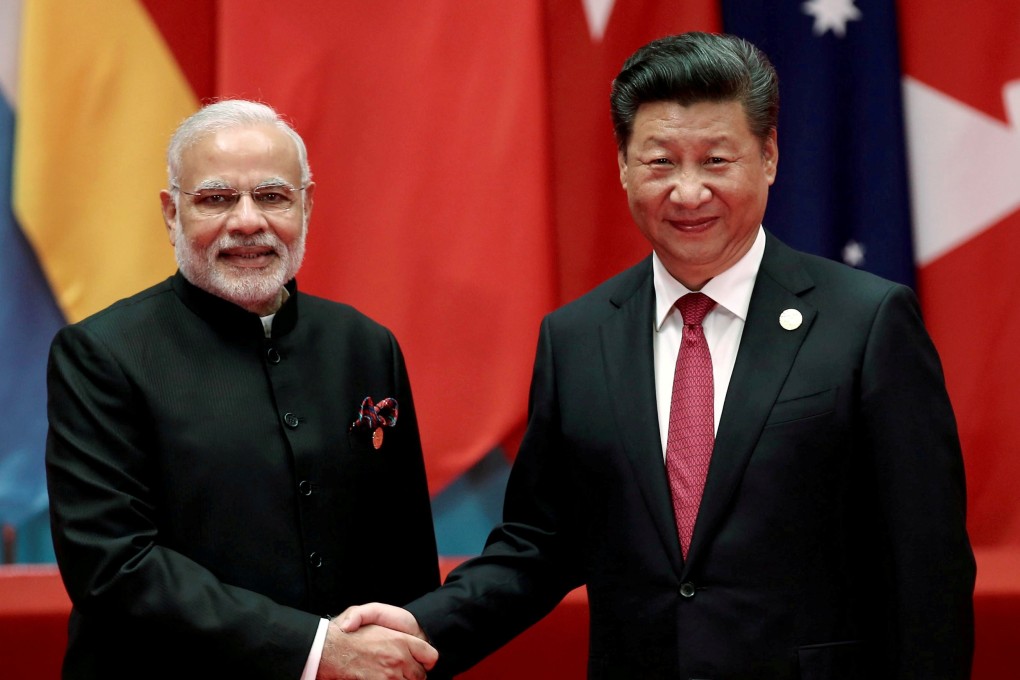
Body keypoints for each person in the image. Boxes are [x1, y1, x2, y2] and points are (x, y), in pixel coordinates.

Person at [339, 32, 976, 679]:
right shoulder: (578, 338)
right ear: (622, 166)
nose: (689, 192)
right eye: (661, 162)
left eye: (717, 161)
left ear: (770, 157)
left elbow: (927, 563)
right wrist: (423, 626)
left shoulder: (866, 323)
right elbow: (540, 544)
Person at [45, 99, 441, 679]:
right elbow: (115, 566)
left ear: (306, 204)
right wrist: (317, 651)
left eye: (273, 196)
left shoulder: (364, 345)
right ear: (171, 212)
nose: (248, 221)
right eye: (216, 198)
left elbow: (406, 551)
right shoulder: (101, 355)